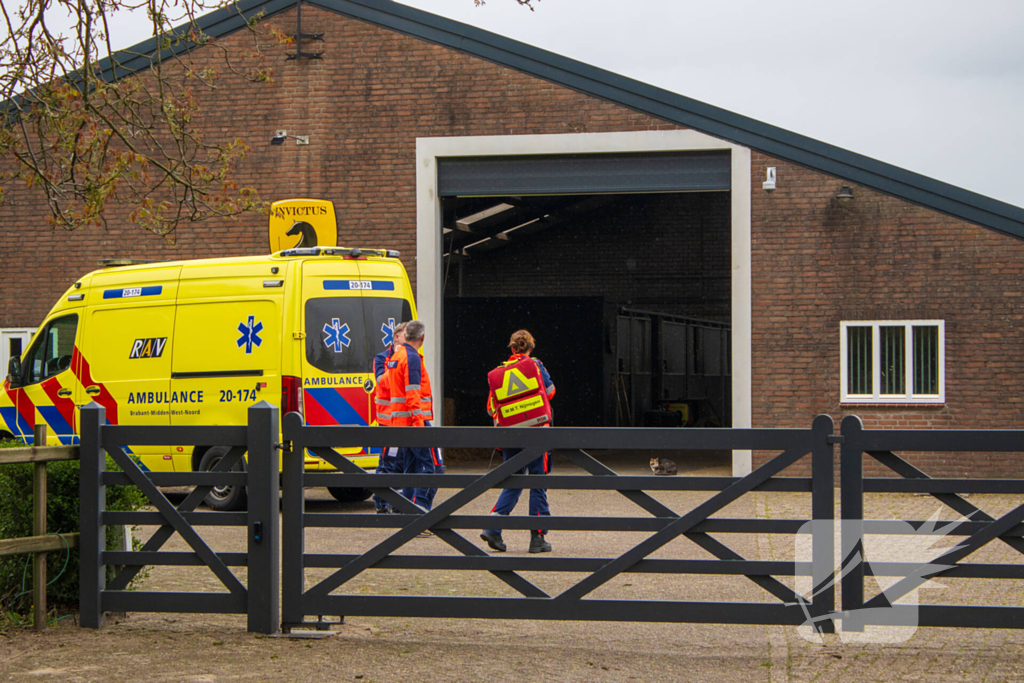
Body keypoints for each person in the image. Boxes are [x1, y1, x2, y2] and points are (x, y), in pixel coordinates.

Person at [480, 329, 556, 554]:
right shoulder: (536, 365)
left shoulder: (499, 372)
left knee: (513, 480)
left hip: (510, 434)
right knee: (537, 482)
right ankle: (537, 537)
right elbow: (551, 392)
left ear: (512, 349)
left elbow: (490, 407)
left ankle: (493, 528)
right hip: (536, 432)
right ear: (530, 348)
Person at [387, 320, 443, 514]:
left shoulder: (397, 355)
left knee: (410, 469)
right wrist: (420, 425)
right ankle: (420, 511)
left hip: (400, 423)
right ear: (422, 338)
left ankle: (404, 509)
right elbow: (412, 393)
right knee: (434, 467)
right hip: (415, 422)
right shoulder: (411, 358)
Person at [371, 321, 407, 513]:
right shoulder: (381, 358)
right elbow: (381, 384)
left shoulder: (410, 358)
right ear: (396, 337)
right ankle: (381, 503)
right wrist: (396, 363)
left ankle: (396, 503)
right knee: (387, 462)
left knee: (401, 462)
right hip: (387, 420)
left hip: (404, 420)